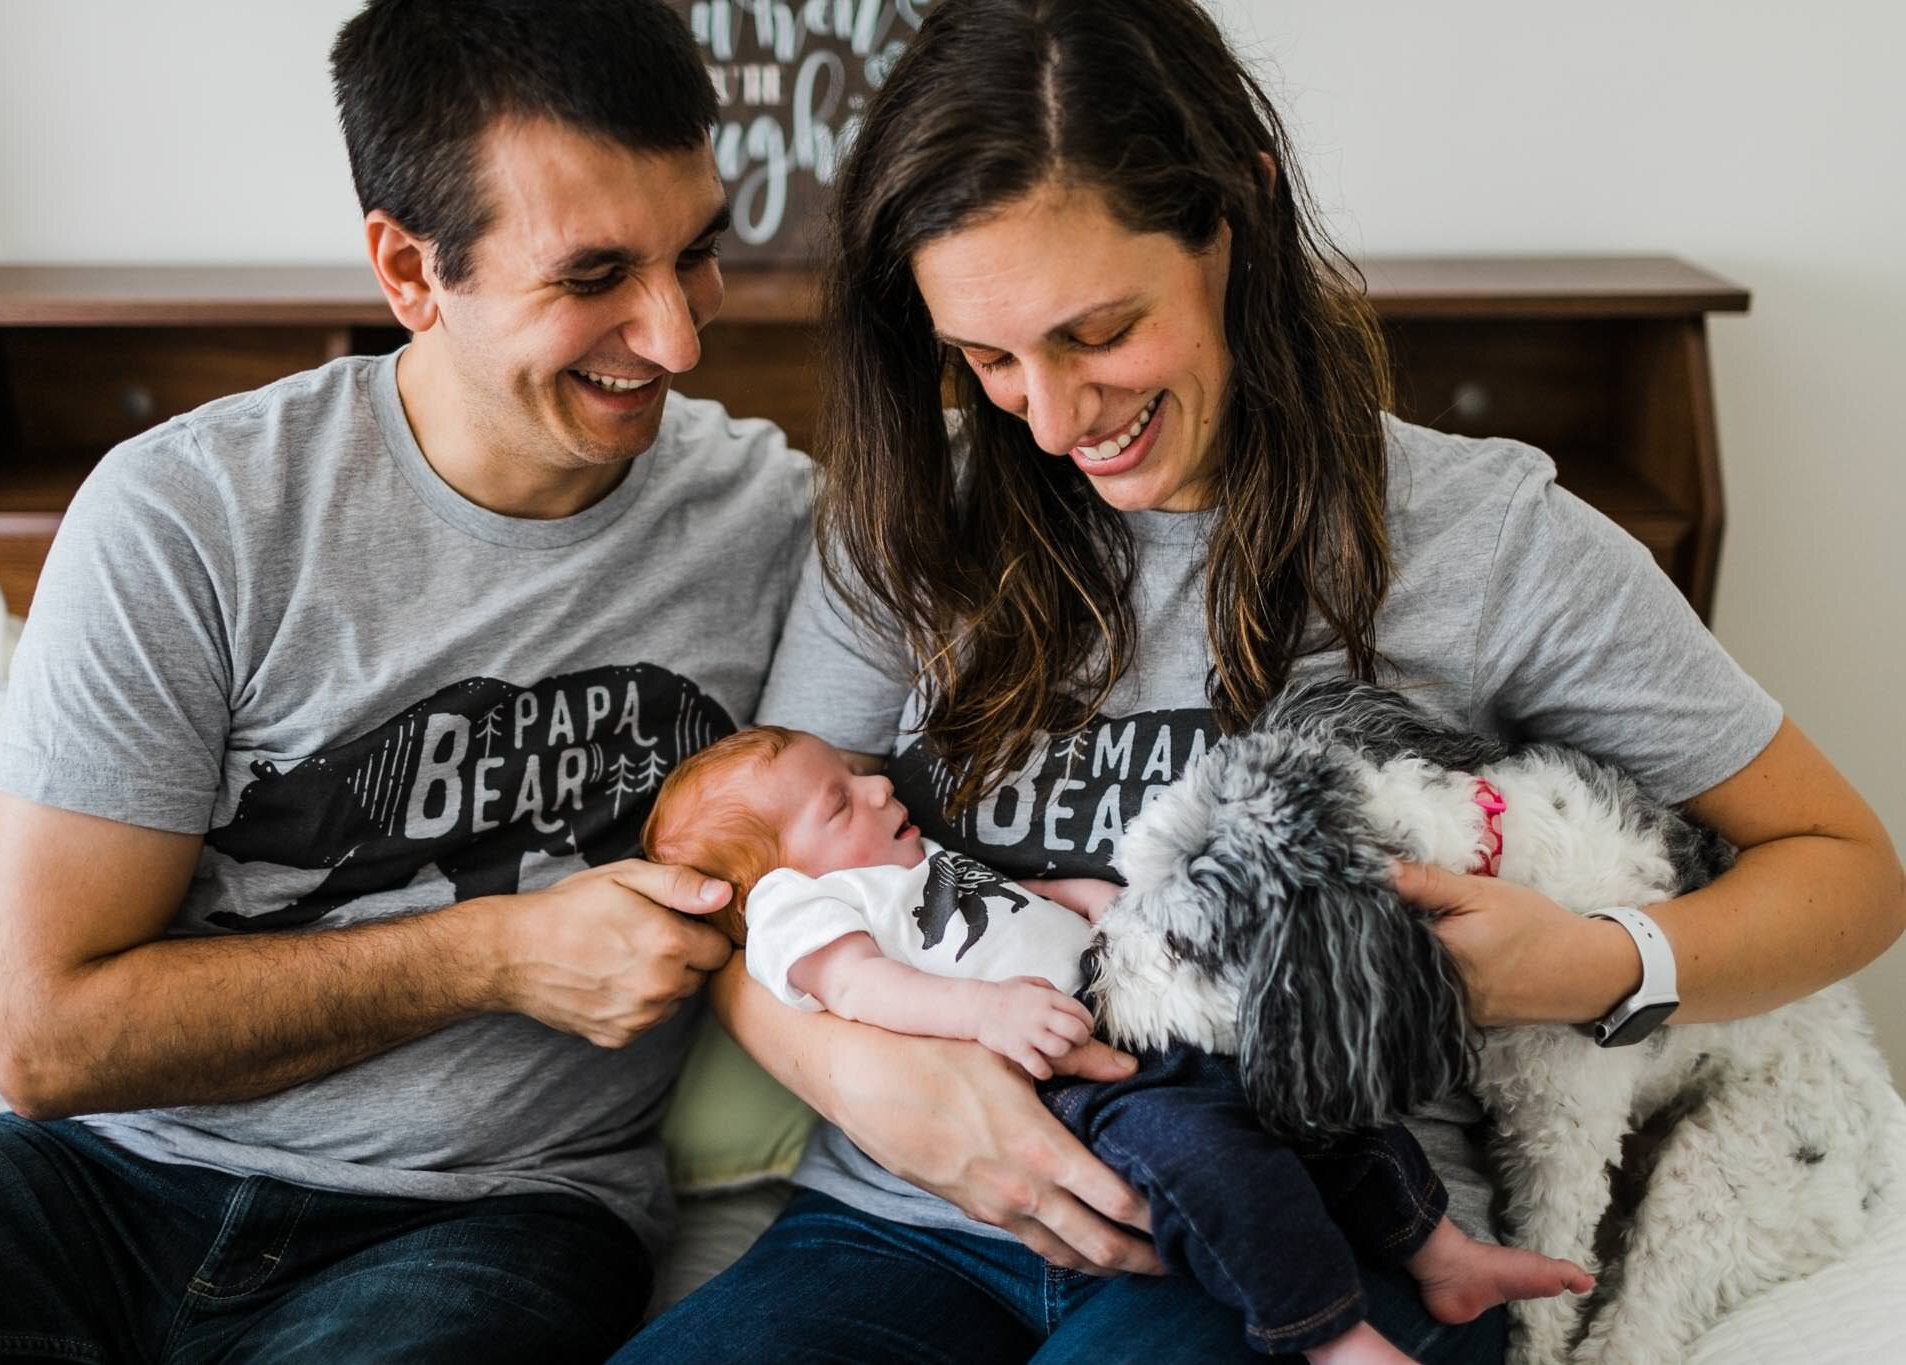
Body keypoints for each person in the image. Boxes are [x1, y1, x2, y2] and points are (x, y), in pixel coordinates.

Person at [616, 0, 1906, 1361]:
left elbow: (1848, 868)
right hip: (903, 1219)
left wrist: (1590, 964)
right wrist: (868, 1081)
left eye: (1098, 331)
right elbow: (762, 898)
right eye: (987, 360)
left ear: (1238, 212)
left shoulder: (1491, 542)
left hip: (1310, 1241)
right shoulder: (908, 523)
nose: (1054, 423)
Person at [0, 2, 812, 1362]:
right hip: (102, 1184)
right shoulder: (187, 516)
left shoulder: (773, 522)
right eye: (596, 275)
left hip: (486, 1223)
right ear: (411, 272)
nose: (676, 336)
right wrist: (500, 954)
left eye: (699, 252)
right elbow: (48, 1036)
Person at [641, 725, 1593, 1363]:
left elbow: (1010, 904)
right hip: (1066, 1083)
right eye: (839, 801)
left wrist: (1089, 902)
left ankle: (1438, 1251)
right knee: (1215, 1167)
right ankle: (1326, 1331)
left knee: (1320, 1110)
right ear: (769, 883)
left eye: (854, 774)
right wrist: (980, 1017)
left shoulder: (893, 858)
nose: (879, 783)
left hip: (1144, 1019)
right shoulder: (804, 909)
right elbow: (859, 987)